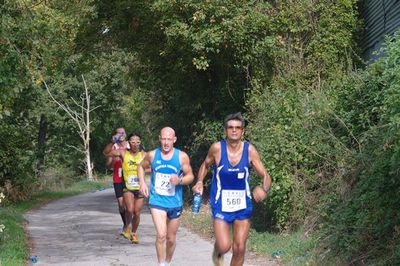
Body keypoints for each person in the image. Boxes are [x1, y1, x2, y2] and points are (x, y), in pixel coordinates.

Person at [192, 113, 272, 266]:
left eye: (237, 127)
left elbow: (266, 175)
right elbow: (205, 165)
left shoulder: (250, 150)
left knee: (240, 248)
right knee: (224, 245)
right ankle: (218, 250)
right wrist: (200, 181)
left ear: (242, 131)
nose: (234, 130)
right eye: (230, 127)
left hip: (243, 205)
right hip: (221, 203)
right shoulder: (217, 148)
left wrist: (264, 189)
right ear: (225, 130)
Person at [138, 127, 194, 266]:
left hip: (175, 202)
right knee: (161, 235)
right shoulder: (152, 155)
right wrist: (142, 183)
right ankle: (161, 264)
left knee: (170, 238)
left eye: (169, 139)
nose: (166, 142)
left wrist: (179, 181)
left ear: (174, 140)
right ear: (159, 138)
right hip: (157, 200)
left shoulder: (181, 156)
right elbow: (140, 167)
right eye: (163, 138)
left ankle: (167, 262)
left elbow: (191, 176)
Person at [105, 132, 147, 244]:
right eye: (132, 142)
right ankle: (127, 226)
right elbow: (106, 153)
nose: (135, 144)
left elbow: (151, 168)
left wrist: (142, 171)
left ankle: (133, 233)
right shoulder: (123, 152)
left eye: (137, 142)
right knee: (129, 209)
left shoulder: (143, 155)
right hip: (127, 186)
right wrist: (113, 142)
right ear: (129, 143)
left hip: (139, 187)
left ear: (140, 143)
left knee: (137, 213)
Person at [103, 128, 129, 231]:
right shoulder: (113, 147)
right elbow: (108, 166)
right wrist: (113, 161)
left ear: (126, 135)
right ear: (115, 135)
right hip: (117, 178)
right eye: (118, 133)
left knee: (130, 204)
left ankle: (129, 225)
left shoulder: (131, 145)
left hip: (129, 178)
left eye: (123, 132)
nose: (121, 134)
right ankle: (126, 224)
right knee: (121, 204)